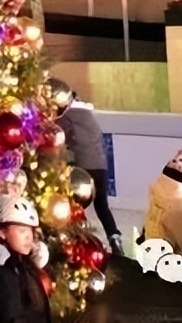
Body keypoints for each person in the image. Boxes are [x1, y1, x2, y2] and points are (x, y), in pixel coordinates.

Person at [0, 195, 51, 323]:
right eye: (22, 231)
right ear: (1, 232)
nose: (28, 237)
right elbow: (9, 316)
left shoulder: (24, 266)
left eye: (31, 231)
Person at [59, 92, 122, 254]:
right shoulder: (89, 116)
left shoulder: (65, 116)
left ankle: (79, 239)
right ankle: (114, 236)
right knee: (102, 205)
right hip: (100, 166)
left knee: (74, 206)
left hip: (82, 168)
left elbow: (61, 138)